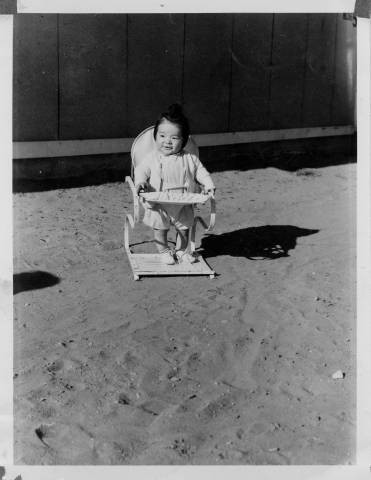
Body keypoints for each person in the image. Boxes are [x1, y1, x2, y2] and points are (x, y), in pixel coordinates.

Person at [135, 104, 215, 265]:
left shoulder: (189, 158)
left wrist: (208, 183)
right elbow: (141, 170)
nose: (167, 141)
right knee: (160, 229)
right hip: (159, 201)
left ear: (184, 140)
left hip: (183, 201)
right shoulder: (152, 157)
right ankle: (164, 251)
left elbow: (200, 171)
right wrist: (141, 181)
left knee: (184, 229)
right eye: (162, 136)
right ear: (155, 137)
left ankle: (181, 250)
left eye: (174, 138)